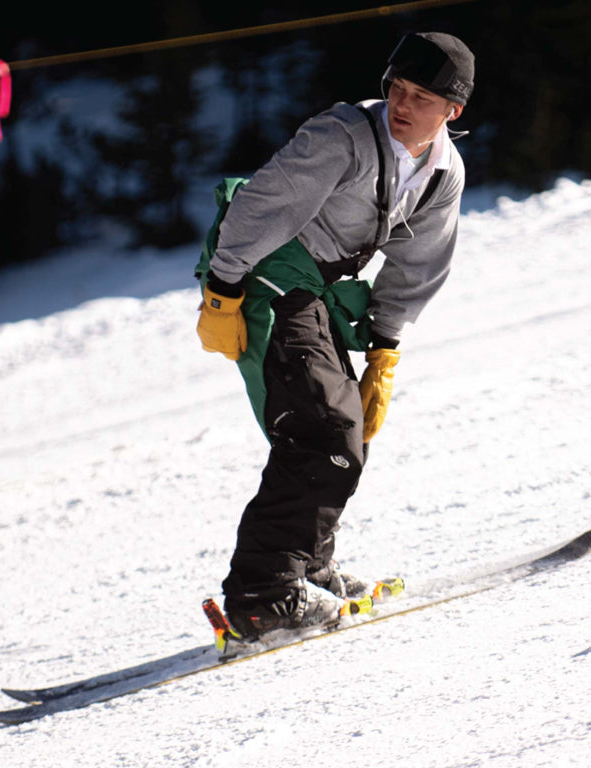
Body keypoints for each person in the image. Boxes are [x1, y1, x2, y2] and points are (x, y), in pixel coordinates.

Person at [194, 32, 473, 639]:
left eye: (422, 96)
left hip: (315, 287)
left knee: (346, 431)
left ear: (453, 110)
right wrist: (222, 289)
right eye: (397, 88)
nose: (402, 103)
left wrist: (385, 349)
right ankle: (261, 594)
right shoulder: (344, 137)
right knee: (323, 430)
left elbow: (419, 262)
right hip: (265, 270)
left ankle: (307, 569)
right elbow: (262, 205)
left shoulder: (442, 171)